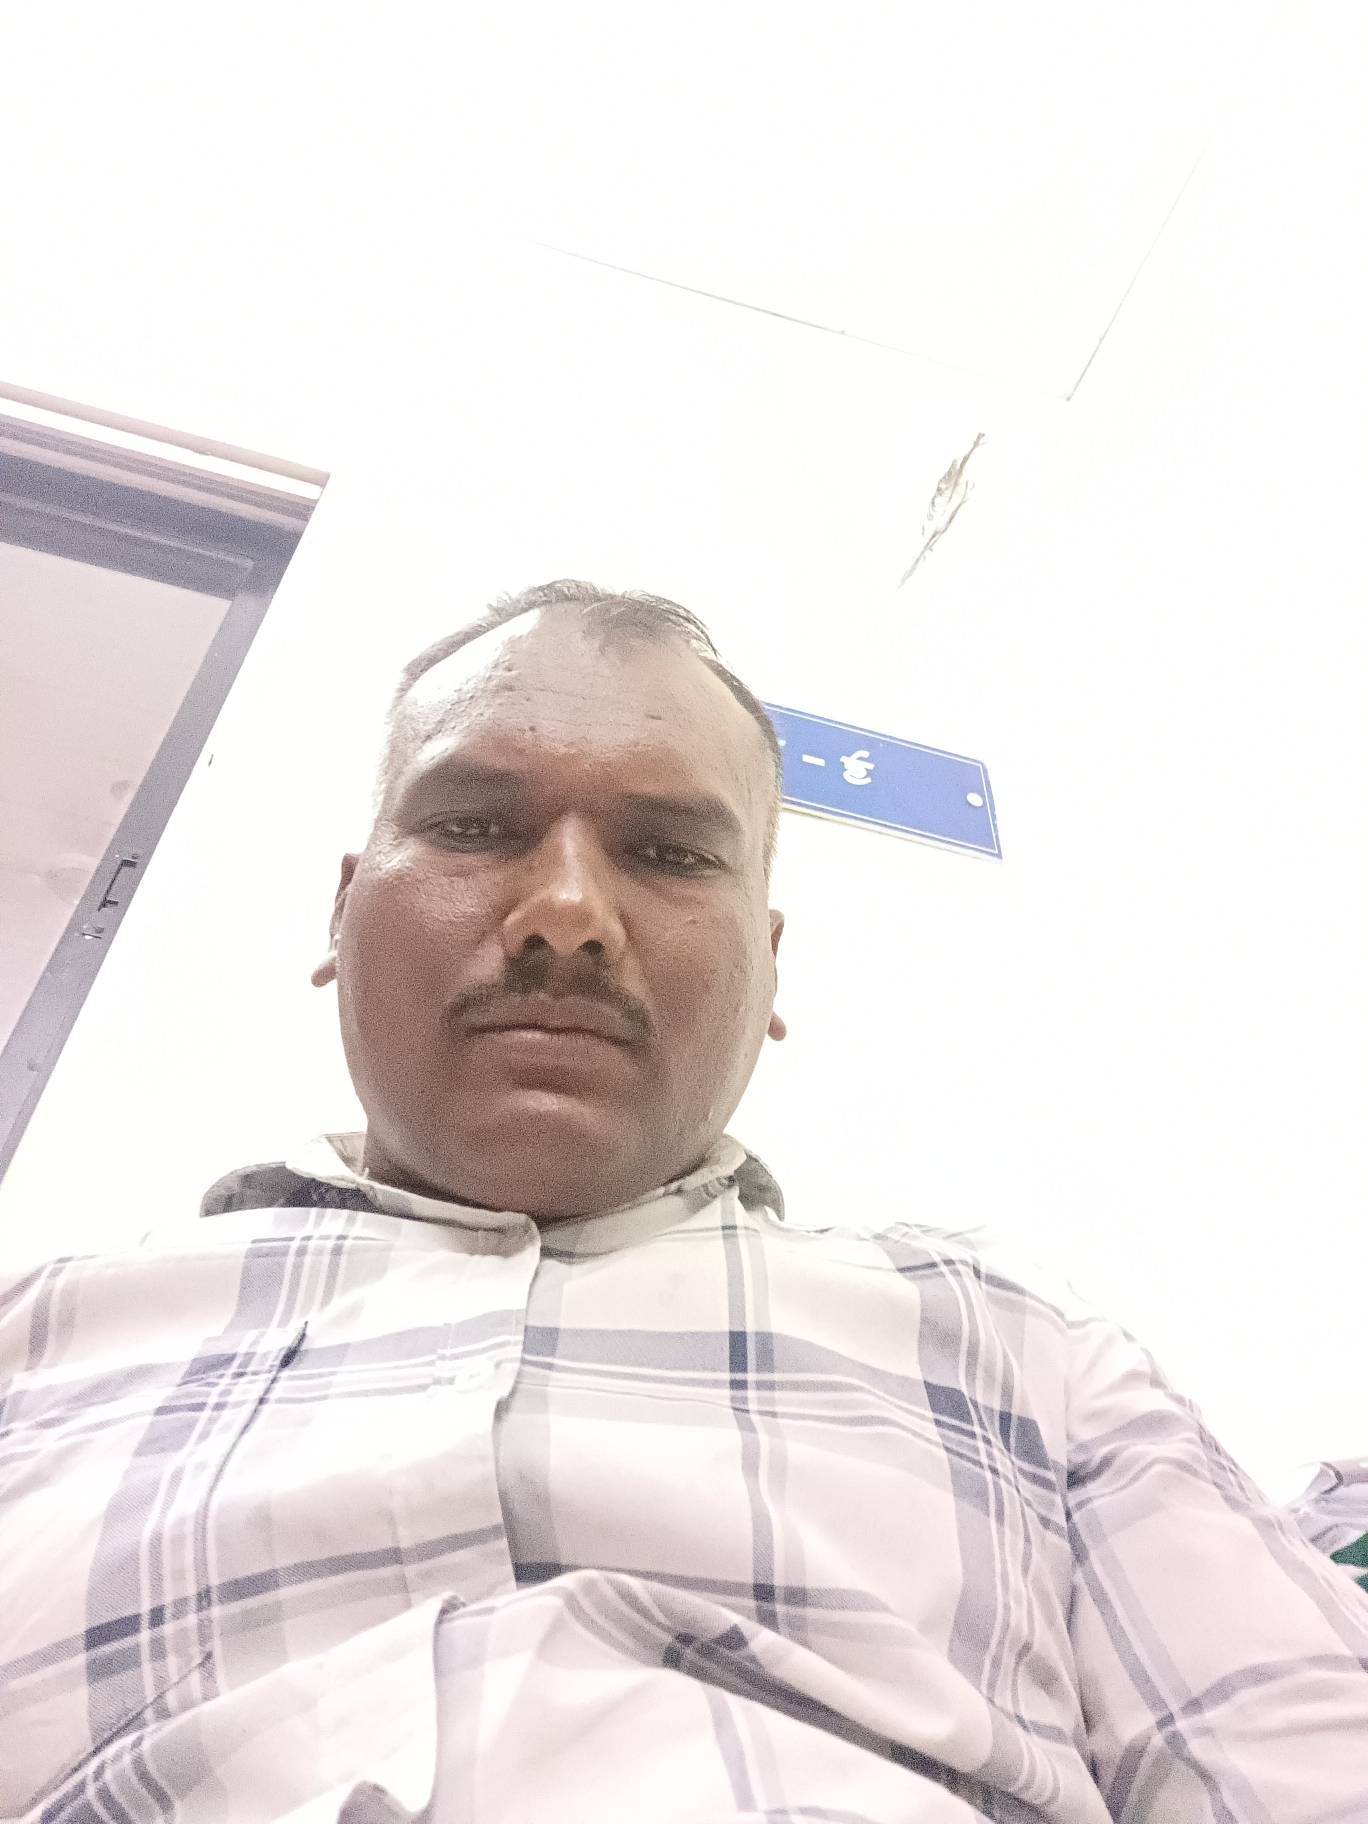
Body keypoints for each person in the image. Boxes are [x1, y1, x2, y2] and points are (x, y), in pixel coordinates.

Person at [1, 578, 1364, 1824]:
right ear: (342, 915)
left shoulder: (1033, 1361)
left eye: (668, 854)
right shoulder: (33, 1342)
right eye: (474, 828)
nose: (567, 913)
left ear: (769, 972)